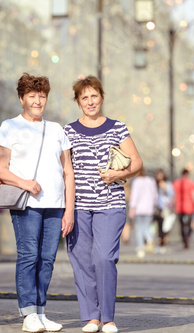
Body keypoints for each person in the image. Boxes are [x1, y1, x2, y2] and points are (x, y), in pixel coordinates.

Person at [0, 73, 75, 333]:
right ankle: (28, 314)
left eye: (42, 96)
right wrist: (26, 183)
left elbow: (68, 171)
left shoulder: (57, 129)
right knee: (29, 256)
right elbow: (0, 168)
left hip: (55, 204)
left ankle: (41, 311)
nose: (38, 101)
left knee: (48, 259)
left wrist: (69, 209)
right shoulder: (9, 126)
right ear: (21, 98)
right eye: (32, 96)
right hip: (27, 203)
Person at [64, 75, 142, 333]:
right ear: (78, 101)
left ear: (101, 97)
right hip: (79, 207)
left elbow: (137, 163)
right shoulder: (68, 131)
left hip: (110, 204)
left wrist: (117, 175)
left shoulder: (117, 127)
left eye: (94, 96)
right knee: (82, 261)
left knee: (104, 258)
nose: (90, 101)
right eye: (84, 97)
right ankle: (91, 317)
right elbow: (63, 171)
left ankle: (107, 318)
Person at [129, 168, 158, 258]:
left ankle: (141, 248)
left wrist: (131, 208)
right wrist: (154, 205)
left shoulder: (136, 182)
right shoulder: (151, 181)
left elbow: (134, 196)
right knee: (147, 226)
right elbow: (155, 195)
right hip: (149, 208)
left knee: (139, 229)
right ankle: (150, 239)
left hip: (139, 208)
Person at [172, 169, 194, 249]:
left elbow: (173, 195)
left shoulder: (176, 183)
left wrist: (172, 205)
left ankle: (184, 239)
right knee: (189, 224)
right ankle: (187, 237)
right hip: (189, 207)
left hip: (179, 206)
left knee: (181, 225)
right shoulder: (191, 183)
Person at [153, 169, 174, 253]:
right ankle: (160, 242)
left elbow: (172, 194)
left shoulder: (167, 184)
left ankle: (163, 240)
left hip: (166, 207)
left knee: (166, 226)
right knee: (159, 226)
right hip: (158, 208)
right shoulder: (155, 185)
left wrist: (165, 187)